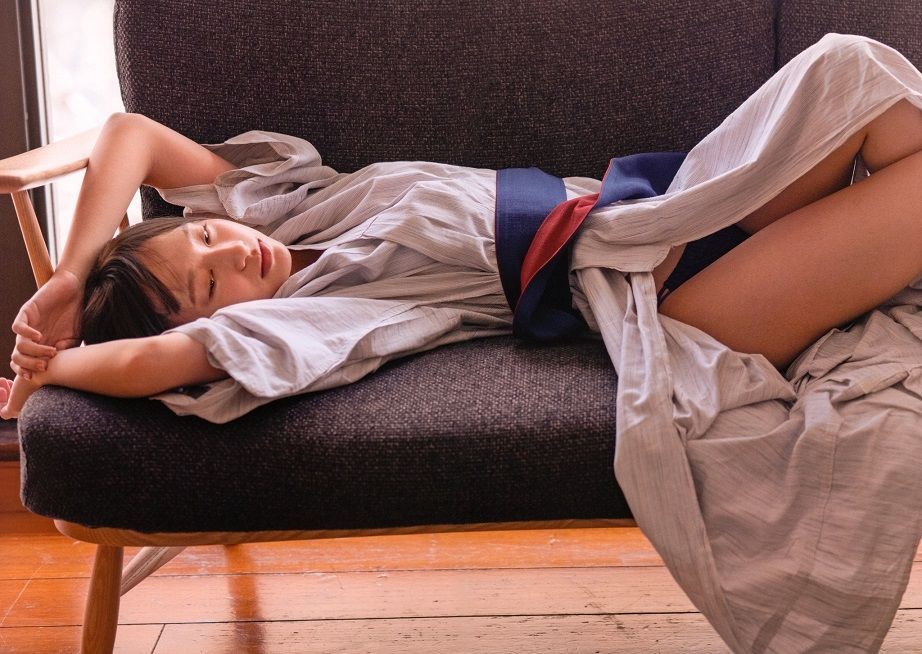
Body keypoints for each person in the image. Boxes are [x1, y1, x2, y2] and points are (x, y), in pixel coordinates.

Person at [5, 33, 922, 423]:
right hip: (666, 293)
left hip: (675, 199)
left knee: (852, 69)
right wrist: (56, 366)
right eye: (214, 285)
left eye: (204, 238)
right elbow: (162, 359)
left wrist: (70, 277)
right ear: (223, 320)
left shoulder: (288, 199)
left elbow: (128, 136)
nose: (236, 252)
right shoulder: (307, 316)